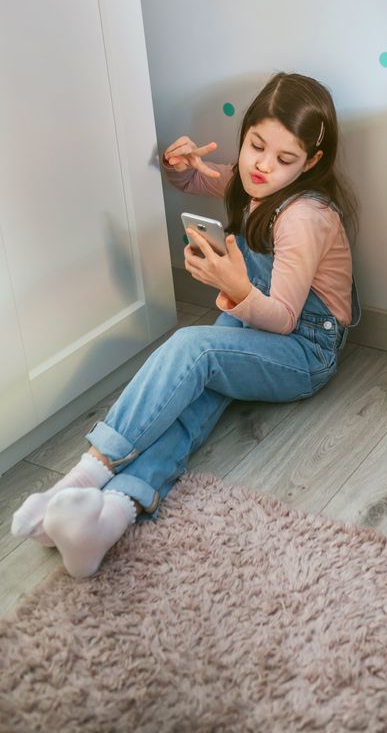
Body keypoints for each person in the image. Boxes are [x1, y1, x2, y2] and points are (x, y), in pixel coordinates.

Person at [11, 72, 360, 578]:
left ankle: (83, 476)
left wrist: (235, 287)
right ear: (246, 134)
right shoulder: (250, 181)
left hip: (304, 348)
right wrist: (181, 167)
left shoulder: (305, 216)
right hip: (255, 322)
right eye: (255, 146)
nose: (262, 166)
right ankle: (109, 518)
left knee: (194, 350)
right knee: (190, 396)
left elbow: (285, 320)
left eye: (284, 159)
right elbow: (202, 180)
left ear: (311, 162)